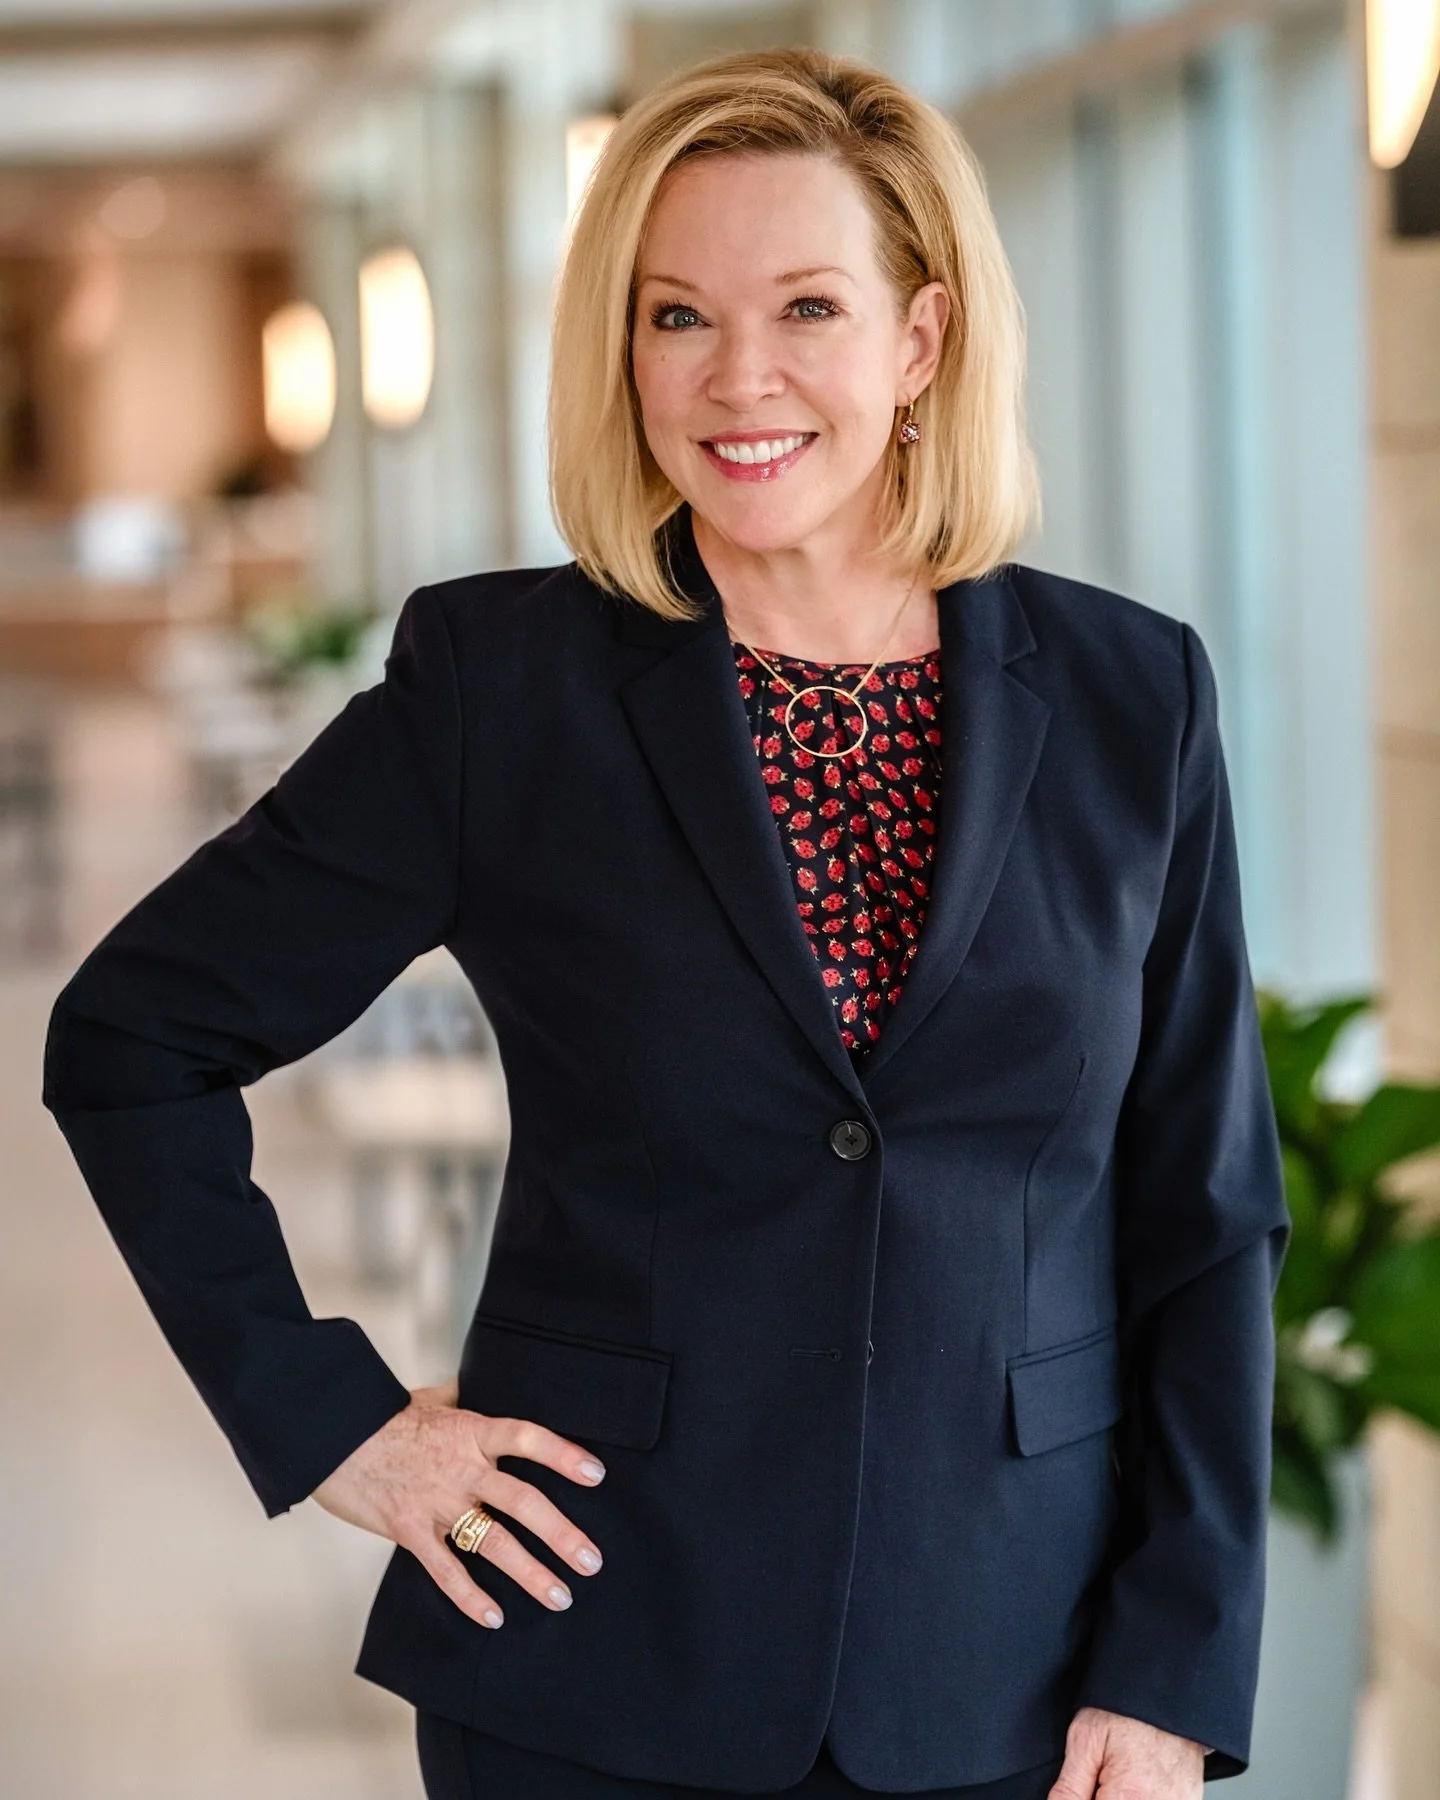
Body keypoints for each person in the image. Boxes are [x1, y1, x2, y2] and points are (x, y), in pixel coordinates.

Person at [41, 45, 1289, 1800]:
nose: (739, 377)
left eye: (806, 307)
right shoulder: (502, 690)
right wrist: (337, 1423)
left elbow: (1206, 1215)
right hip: (599, 1665)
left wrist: (1174, 1662)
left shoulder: (1129, 695)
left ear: (922, 340)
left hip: (1022, 1675)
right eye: (677, 318)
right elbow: (133, 1038)